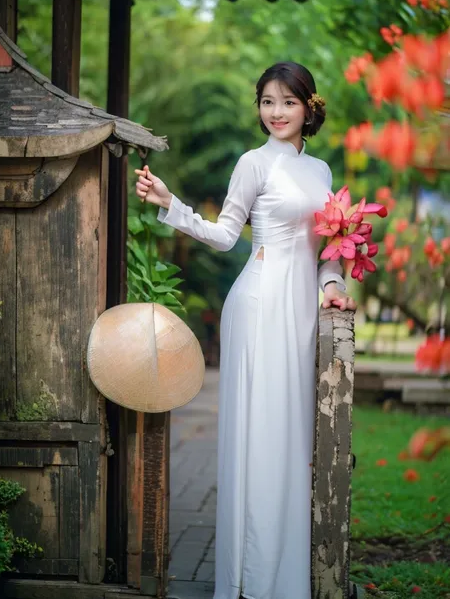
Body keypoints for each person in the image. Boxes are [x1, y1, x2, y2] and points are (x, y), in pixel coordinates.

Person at [135, 61, 357, 599]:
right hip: (258, 307)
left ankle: (286, 572)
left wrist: (331, 284)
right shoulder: (252, 164)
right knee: (261, 435)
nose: (276, 112)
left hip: (303, 310)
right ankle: (253, 577)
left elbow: (328, 250)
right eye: (266, 101)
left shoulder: (323, 171)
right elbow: (225, 235)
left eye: (287, 101)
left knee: (295, 434)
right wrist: (173, 205)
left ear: (309, 107)